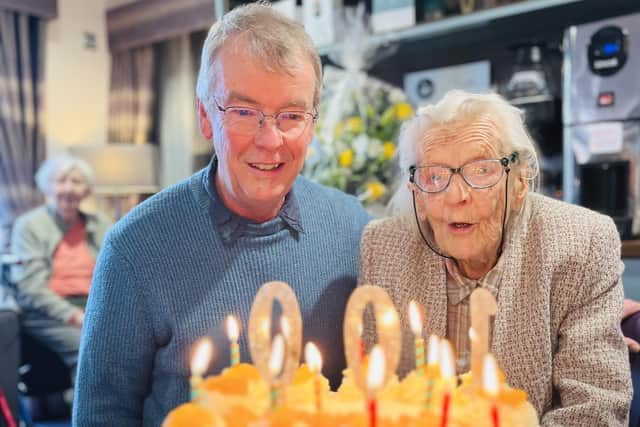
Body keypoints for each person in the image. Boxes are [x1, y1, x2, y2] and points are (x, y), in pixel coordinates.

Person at [73, 3, 370, 426]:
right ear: (205, 117)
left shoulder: (352, 228)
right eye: (244, 112)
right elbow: (102, 416)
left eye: (291, 115)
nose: (271, 140)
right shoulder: (135, 250)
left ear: (313, 123)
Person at [359, 90, 632, 425]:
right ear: (417, 196)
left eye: (482, 170)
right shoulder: (383, 248)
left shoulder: (580, 243)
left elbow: (595, 410)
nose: (456, 196)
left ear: (519, 184)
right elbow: (372, 396)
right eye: (435, 176)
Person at [10, 154, 111, 381]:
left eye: (76, 182)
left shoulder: (100, 224)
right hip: (46, 314)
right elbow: (30, 287)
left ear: (86, 189)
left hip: (92, 306)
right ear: (47, 187)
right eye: (61, 181)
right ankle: (89, 416)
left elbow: (115, 273)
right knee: (89, 348)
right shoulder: (29, 226)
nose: (69, 189)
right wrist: (73, 315)